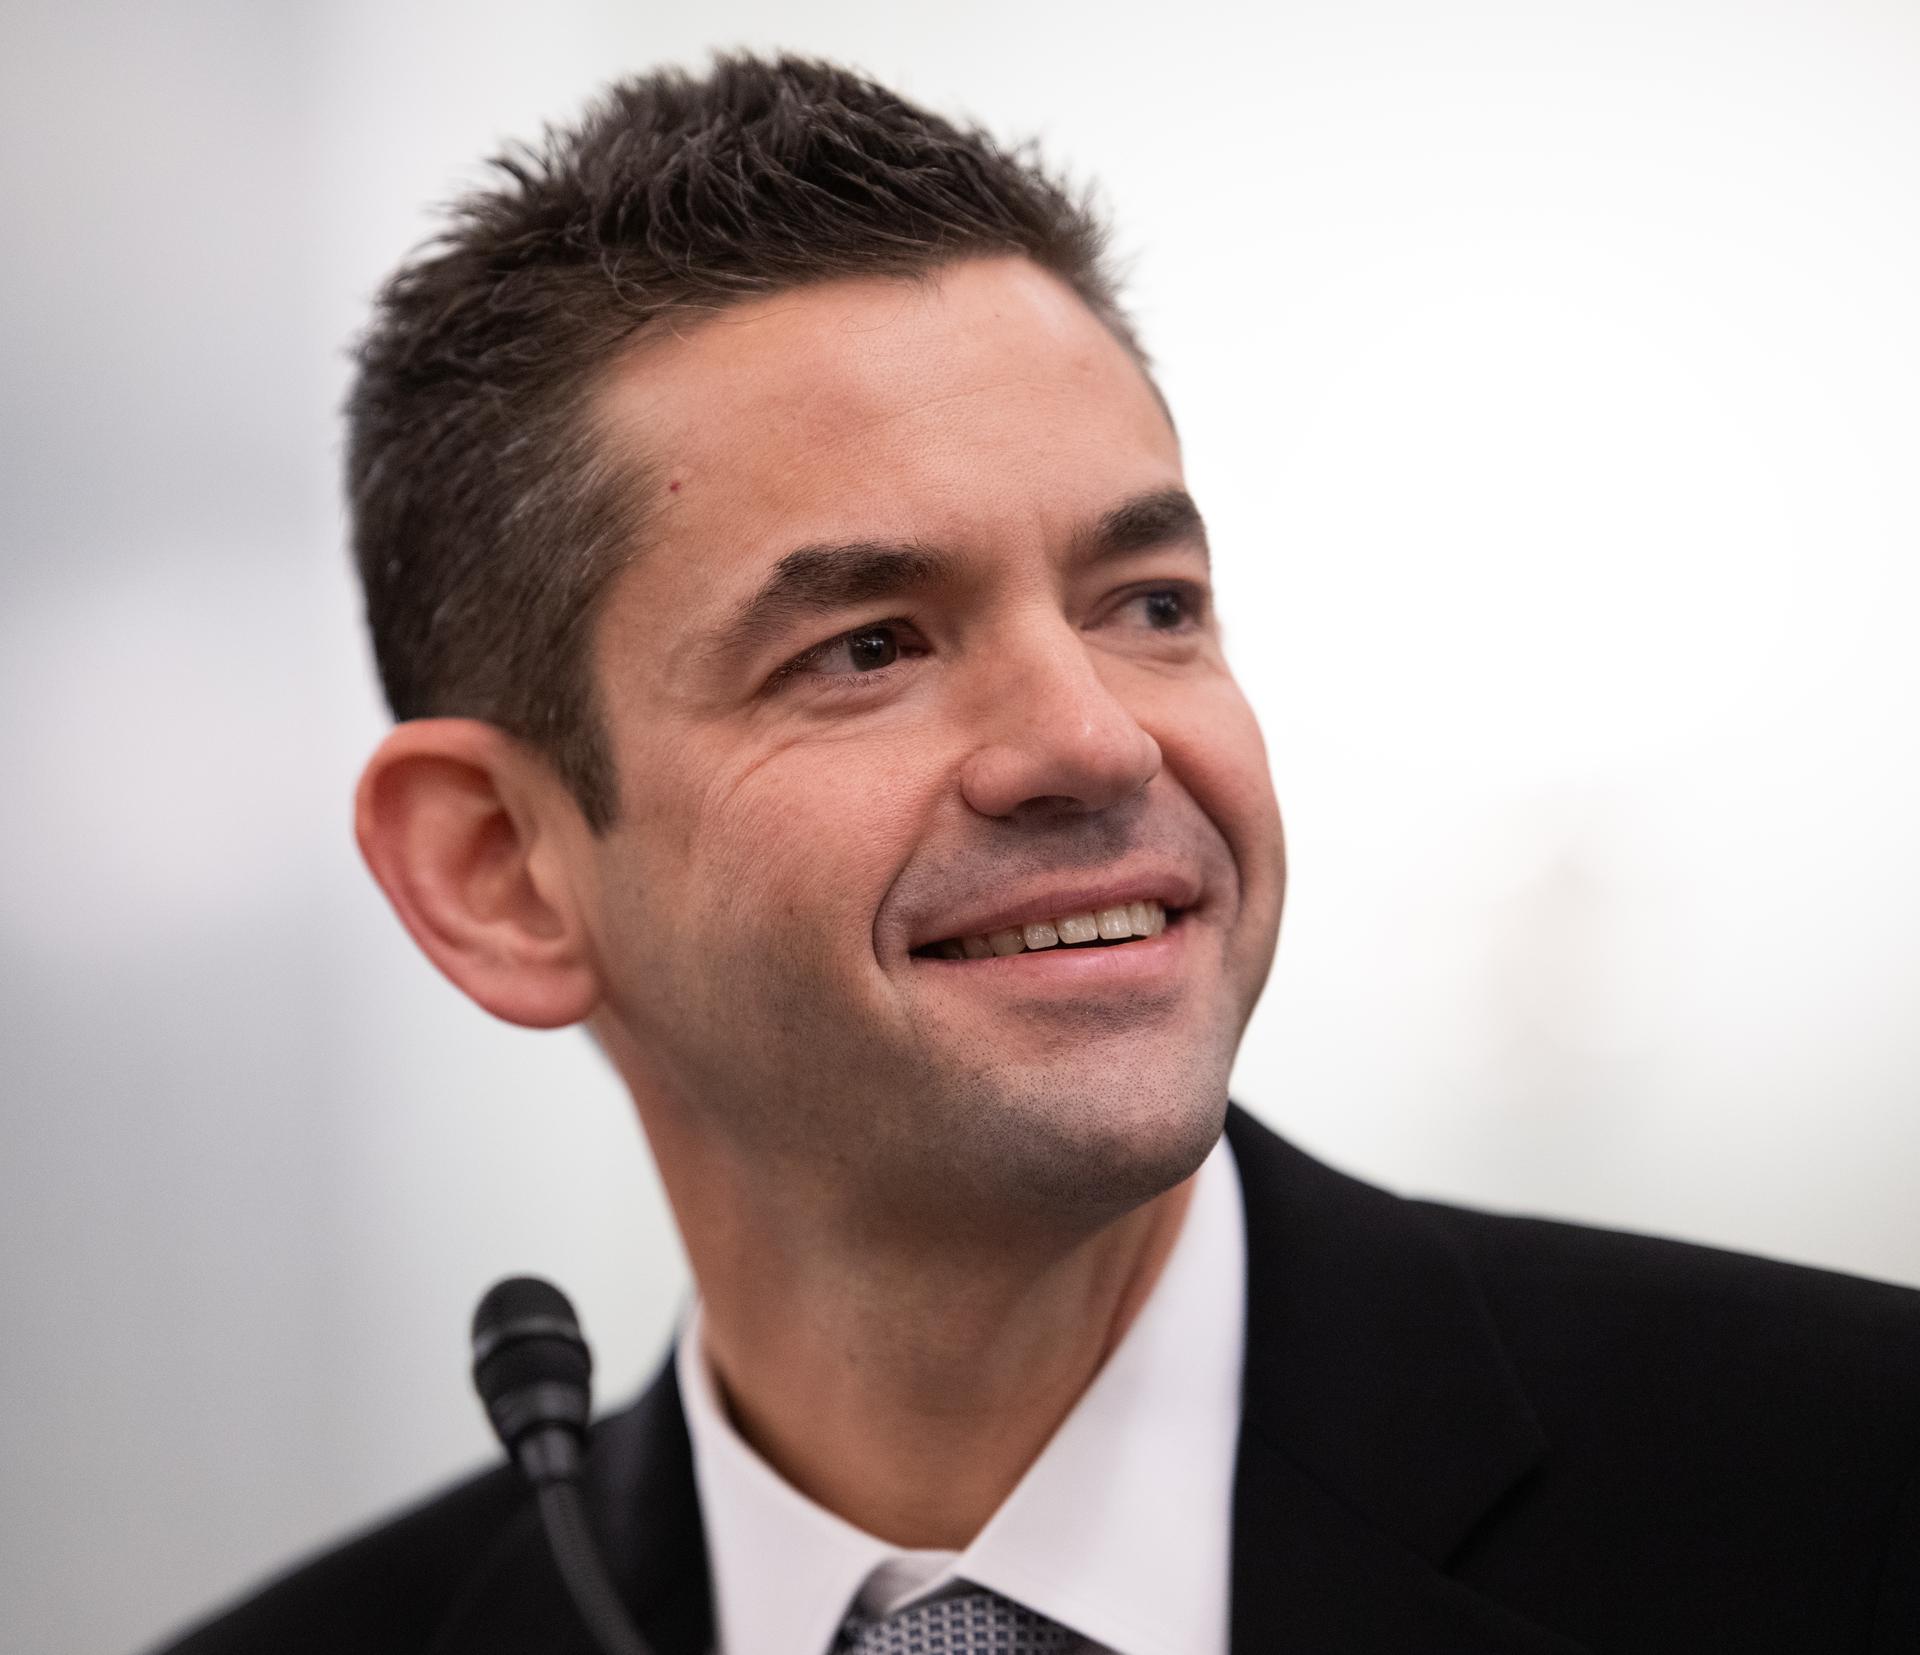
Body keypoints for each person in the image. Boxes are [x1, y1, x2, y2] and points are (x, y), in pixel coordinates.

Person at [150, 52, 1918, 1655]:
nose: (1095, 739)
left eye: (1149, 603)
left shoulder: (1849, 1495)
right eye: (869, 646)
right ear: (500, 875)